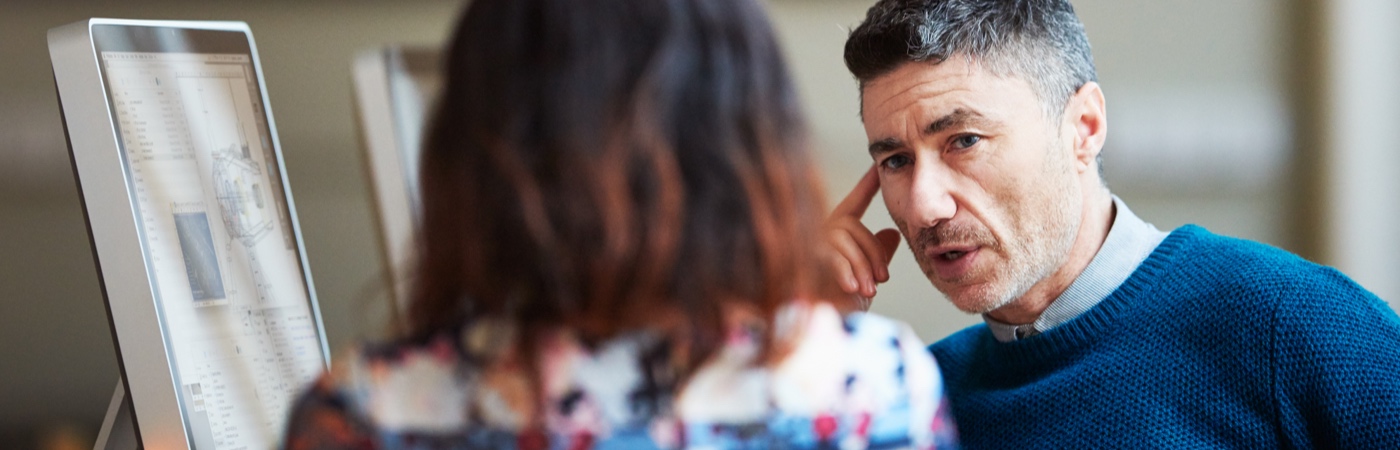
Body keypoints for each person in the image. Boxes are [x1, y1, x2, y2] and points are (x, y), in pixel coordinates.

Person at [282, 0, 959, 448]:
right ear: (752, 145)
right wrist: (801, 325)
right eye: (896, 158)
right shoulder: (875, 387)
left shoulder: (365, 413)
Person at [825, 0, 1400, 447]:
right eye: (896, 160)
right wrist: (802, 352)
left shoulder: (1291, 323)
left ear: (1084, 127)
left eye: (964, 141)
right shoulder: (919, 398)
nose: (925, 207)